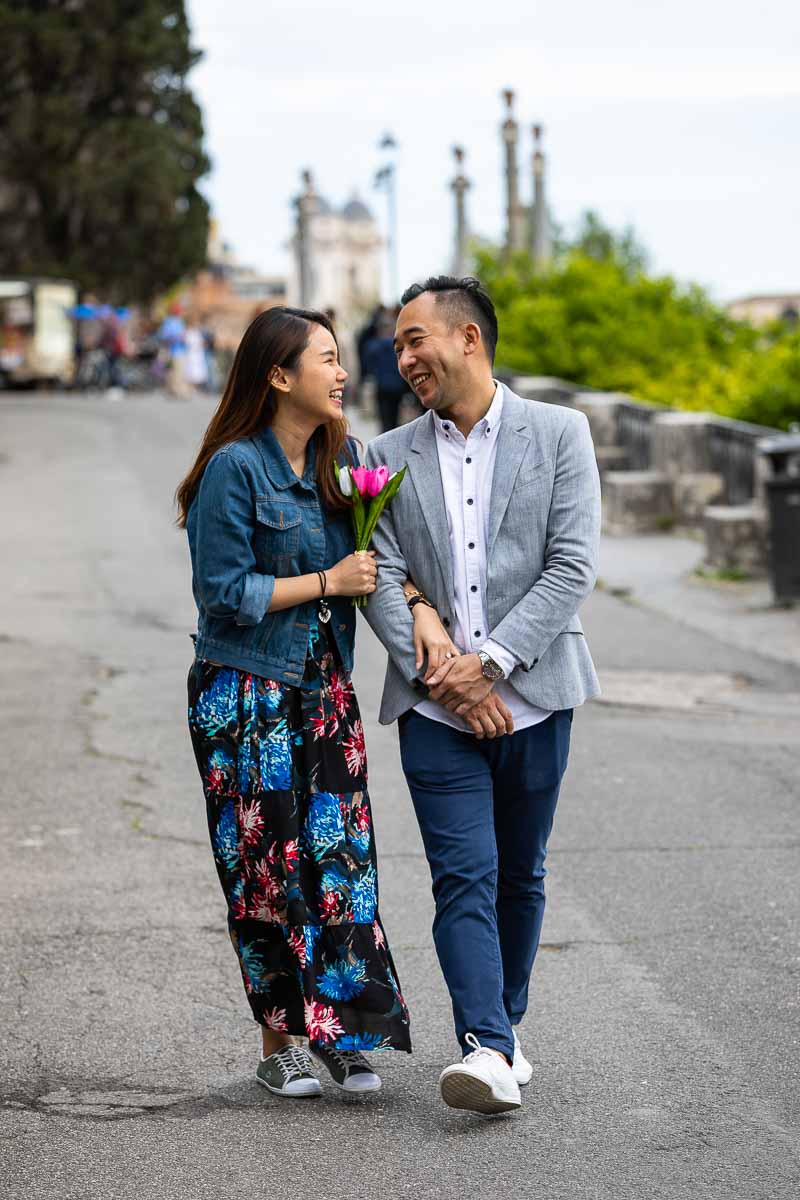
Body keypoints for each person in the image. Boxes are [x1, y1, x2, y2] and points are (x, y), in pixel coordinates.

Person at [363, 276, 601, 1115]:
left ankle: (505, 1024)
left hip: (535, 695)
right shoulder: (383, 455)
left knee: (520, 875)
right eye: (397, 345)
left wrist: (490, 663)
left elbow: (571, 565)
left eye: (415, 339)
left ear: (469, 338)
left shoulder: (561, 433)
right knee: (463, 874)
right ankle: (487, 1048)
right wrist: (444, 674)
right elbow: (380, 573)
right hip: (433, 708)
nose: (404, 357)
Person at [175, 307, 412, 1099]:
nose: (343, 373)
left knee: (341, 866)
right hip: (246, 692)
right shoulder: (232, 470)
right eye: (327, 360)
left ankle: (340, 1033)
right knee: (267, 870)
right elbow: (222, 593)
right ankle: (280, 1045)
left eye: (342, 359)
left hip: (323, 693)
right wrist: (327, 582)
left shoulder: (337, 466)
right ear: (279, 377)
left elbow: (382, 563)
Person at [363, 314, 410, 433]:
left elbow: (369, 366)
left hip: (382, 386)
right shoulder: (399, 346)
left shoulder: (373, 346)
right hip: (397, 387)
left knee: (384, 417)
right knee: (395, 416)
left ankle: (385, 436)